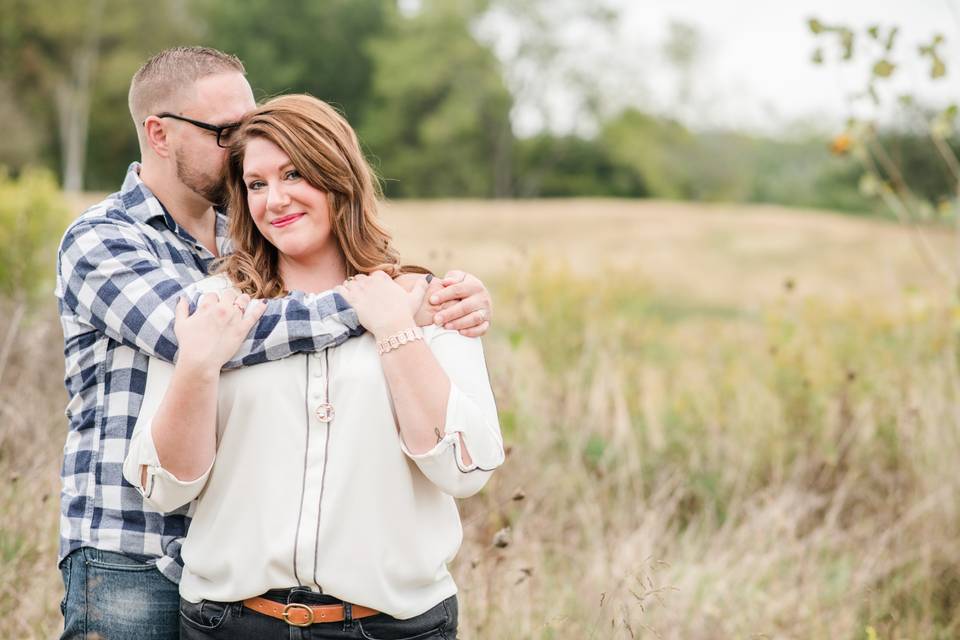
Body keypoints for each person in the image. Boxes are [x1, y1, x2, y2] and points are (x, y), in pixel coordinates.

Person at [55, 47, 492, 640]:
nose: (266, 188)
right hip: (130, 548)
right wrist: (386, 305)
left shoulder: (243, 237)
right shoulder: (107, 241)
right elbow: (197, 338)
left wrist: (420, 303)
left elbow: (464, 462)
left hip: (356, 607)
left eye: (289, 172)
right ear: (159, 133)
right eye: (228, 135)